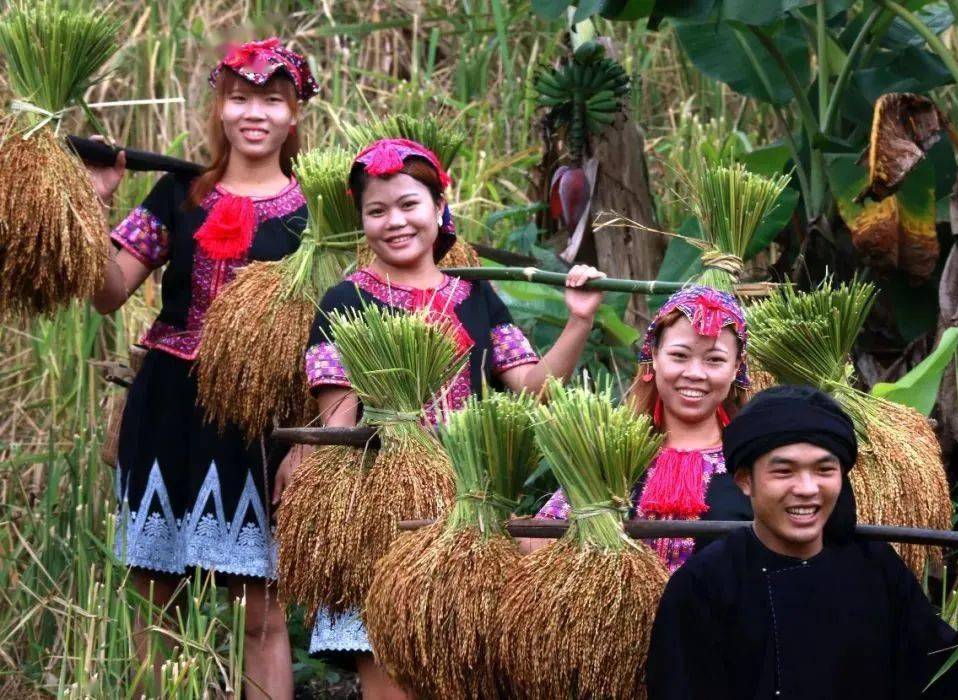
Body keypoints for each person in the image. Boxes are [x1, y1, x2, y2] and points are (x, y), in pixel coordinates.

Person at [276, 136, 606, 699]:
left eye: (409, 205)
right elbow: (338, 416)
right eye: (376, 211)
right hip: (380, 514)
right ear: (361, 222)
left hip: (468, 508)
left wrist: (577, 322)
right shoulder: (345, 300)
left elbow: (530, 388)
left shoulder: (476, 298)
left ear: (438, 209)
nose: (395, 222)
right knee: (388, 674)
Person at [90, 37, 318, 699]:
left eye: (272, 101)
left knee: (262, 612)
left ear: (294, 114)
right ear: (220, 108)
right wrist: (99, 200)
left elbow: (339, 333)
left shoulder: (318, 215)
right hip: (166, 406)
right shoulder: (177, 194)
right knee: (155, 602)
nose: (255, 113)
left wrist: (307, 443)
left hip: (261, 422)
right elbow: (108, 290)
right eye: (240, 98)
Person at [646, 385, 958, 700]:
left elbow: (940, 676)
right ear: (745, 480)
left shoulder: (873, 566)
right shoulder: (704, 586)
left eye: (824, 470)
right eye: (783, 471)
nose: (806, 489)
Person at [535, 285, 753, 572]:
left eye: (714, 360)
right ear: (654, 355)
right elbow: (536, 544)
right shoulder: (614, 451)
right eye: (679, 356)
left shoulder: (752, 461)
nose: (695, 374)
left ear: (736, 367)